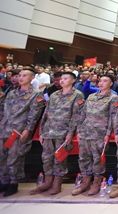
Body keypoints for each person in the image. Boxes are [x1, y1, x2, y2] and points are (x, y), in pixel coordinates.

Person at [30, 72, 83, 195]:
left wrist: (71, 133)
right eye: (61, 79)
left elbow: (76, 116)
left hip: (63, 132)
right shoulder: (54, 95)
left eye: (65, 78)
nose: (62, 81)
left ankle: (57, 184)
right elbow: (46, 114)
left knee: (59, 158)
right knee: (47, 158)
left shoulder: (77, 95)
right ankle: (47, 182)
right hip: (49, 131)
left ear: (73, 80)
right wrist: (42, 131)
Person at [0, 68, 45, 196]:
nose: (20, 78)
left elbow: (34, 114)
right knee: (2, 157)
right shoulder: (11, 93)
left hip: (18, 131)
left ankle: (13, 182)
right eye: (19, 75)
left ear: (32, 78)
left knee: (14, 158)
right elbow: (3, 110)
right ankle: (3, 181)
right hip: (4, 129)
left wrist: (27, 130)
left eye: (24, 75)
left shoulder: (36, 94)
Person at [72, 74, 118, 196]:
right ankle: (85, 182)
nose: (102, 83)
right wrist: (79, 130)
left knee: (98, 159)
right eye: (101, 81)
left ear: (111, 84)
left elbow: (112, 118)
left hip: (99, 133)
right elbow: (83, 114)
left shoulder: (113, 98)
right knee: (83, 158)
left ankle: (96, 183)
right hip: (85, 132)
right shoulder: (92, 97)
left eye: (105, 81)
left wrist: (108, 134)